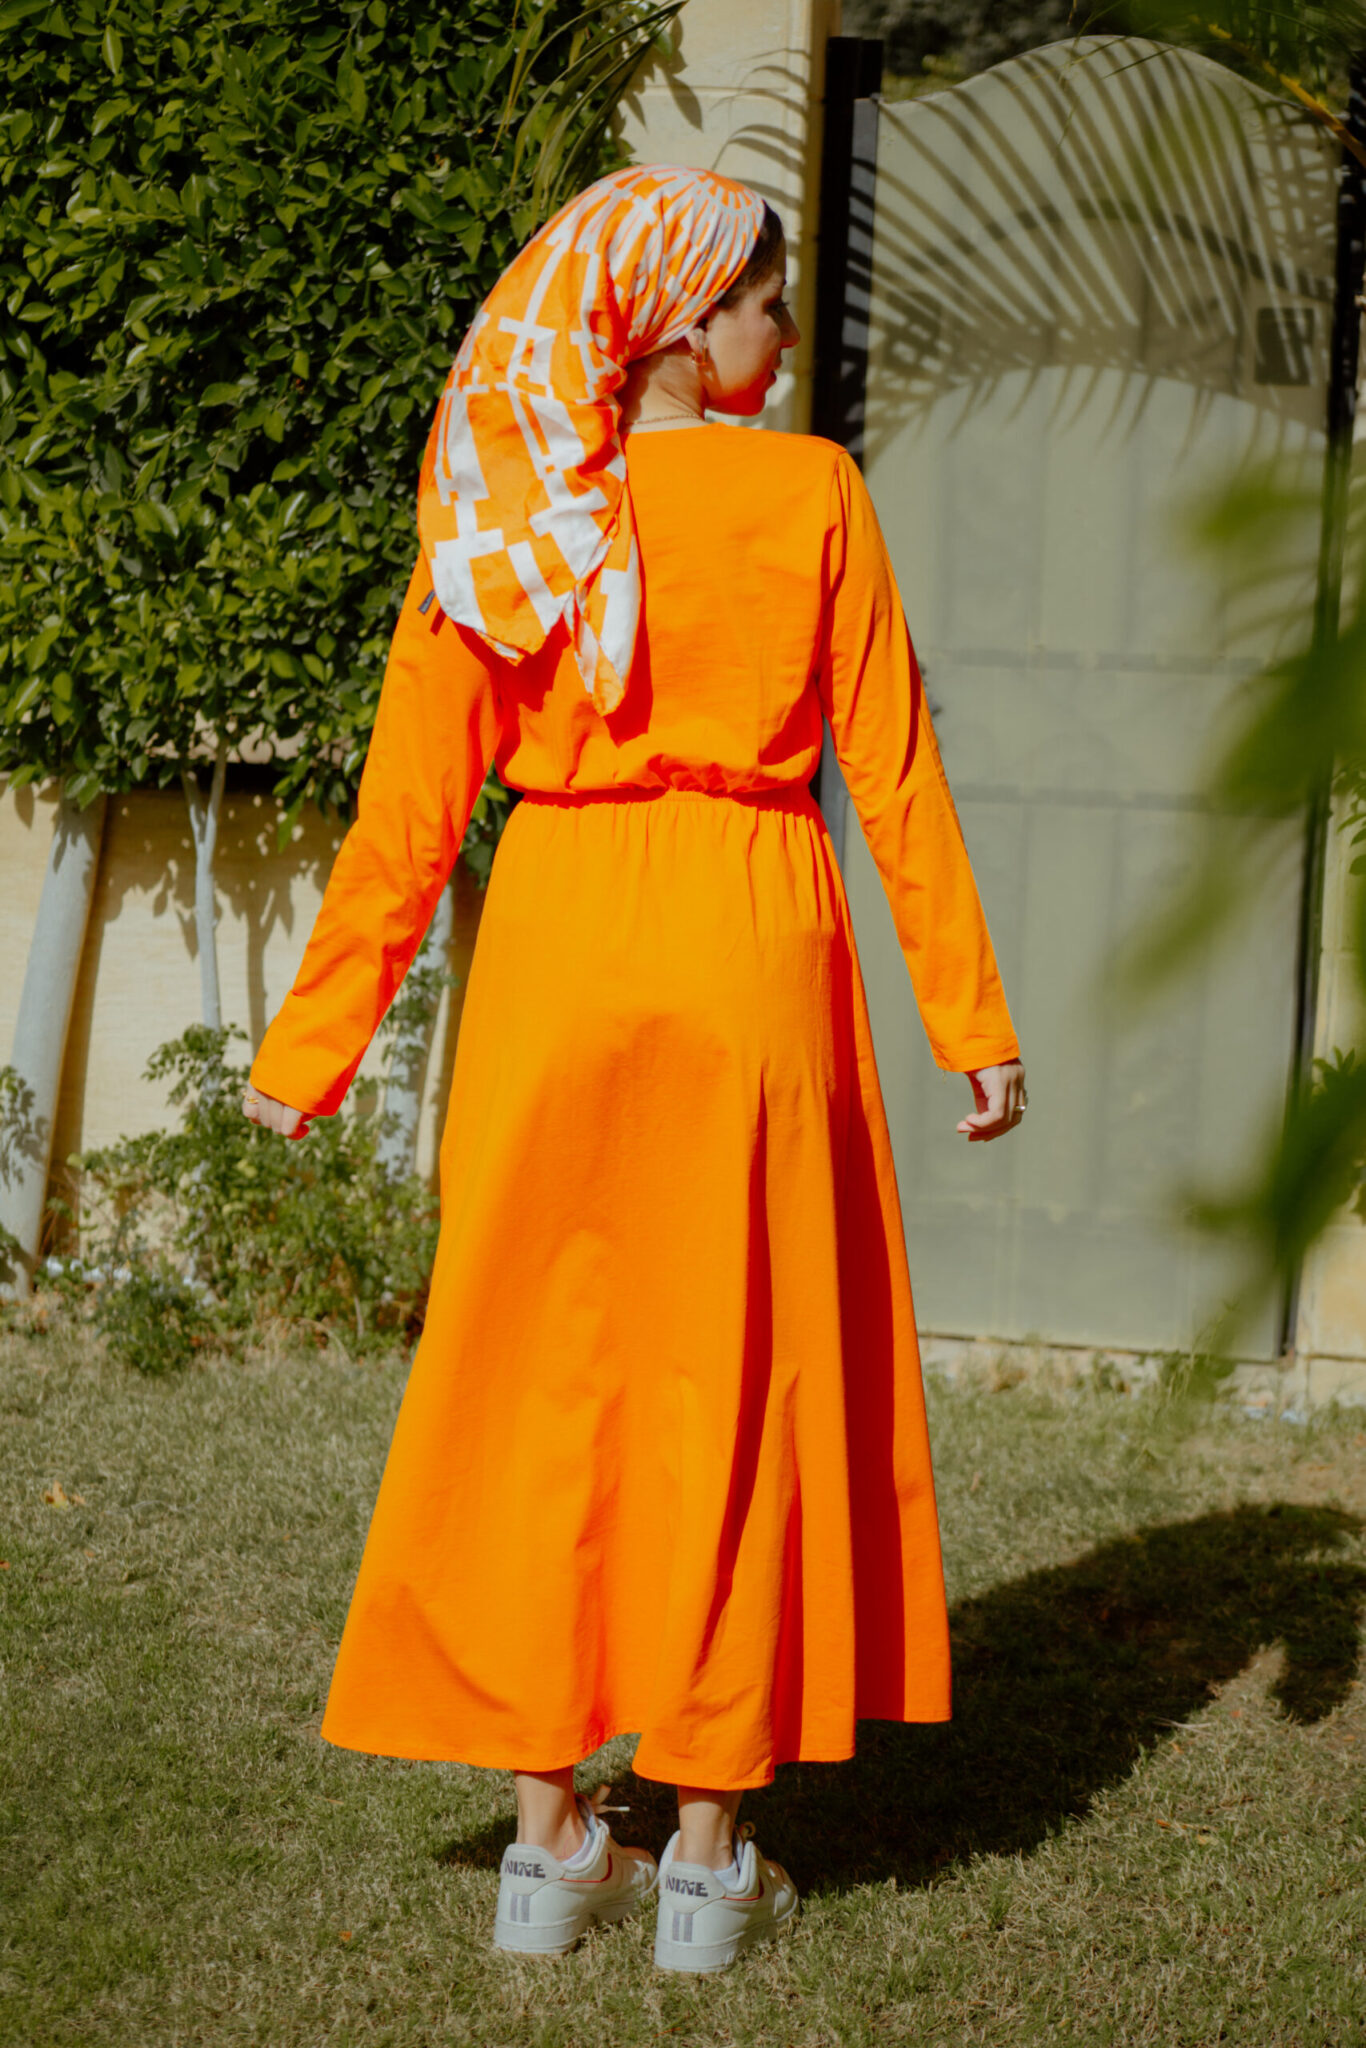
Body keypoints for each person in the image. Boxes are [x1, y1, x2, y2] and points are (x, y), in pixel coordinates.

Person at [242, 163, 1025, 1975]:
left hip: (559, 947)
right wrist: (969, 1022)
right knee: (735, 1387)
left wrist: (315, 1043)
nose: (783, 334)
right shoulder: (811, 491)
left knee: (541, 1381)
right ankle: (703, 1856)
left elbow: (412, 800)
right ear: (682, 318)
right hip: (747, 937)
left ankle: (545, 1846)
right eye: (763, 301)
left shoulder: (506, 502)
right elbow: (892, 773)